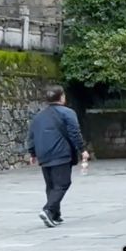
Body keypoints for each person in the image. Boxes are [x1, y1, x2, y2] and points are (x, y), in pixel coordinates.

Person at [26, 86, 89, 227]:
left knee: (51, 185)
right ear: (61, 97)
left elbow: (31, 135)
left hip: (44, 154)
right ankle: (48, 210)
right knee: (62, 183)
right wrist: (82, 149)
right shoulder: (68, 113)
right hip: (61, 153)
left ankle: (55, 215)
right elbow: (74, 132)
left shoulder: (38, 116)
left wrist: (32, 153)